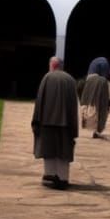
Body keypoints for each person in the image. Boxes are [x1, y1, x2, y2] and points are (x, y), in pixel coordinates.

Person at [31, 56, 78, 190]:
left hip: (47, 122)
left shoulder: (47, 78)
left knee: (48, 150)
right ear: (61, 66)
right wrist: (73, 128)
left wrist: (36, 121)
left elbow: (39, 102)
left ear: (52, 65)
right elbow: (73, 106)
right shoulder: (70, 80)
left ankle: (50, 176)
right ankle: (63, 178)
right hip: (66, 123)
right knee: (64, 151)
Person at [80, 56, 110, 138]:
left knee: (90, 104)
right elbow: (104, 79)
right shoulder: (105, 64)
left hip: (89, 80)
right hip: (97, 81)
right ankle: (98, 129)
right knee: (101, 106)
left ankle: (90, 125)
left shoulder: (99, 61)